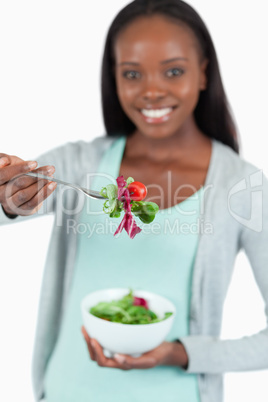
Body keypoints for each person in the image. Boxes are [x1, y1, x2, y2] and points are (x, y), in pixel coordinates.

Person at [0, 0, 268, 401]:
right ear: (114, 78)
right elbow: (10, 205)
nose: (152, 91)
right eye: (132, 74)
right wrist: (8, 197)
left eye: (173, 70)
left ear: (203, 73)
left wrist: (180, 354)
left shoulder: (243, 186)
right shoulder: (79, 163)